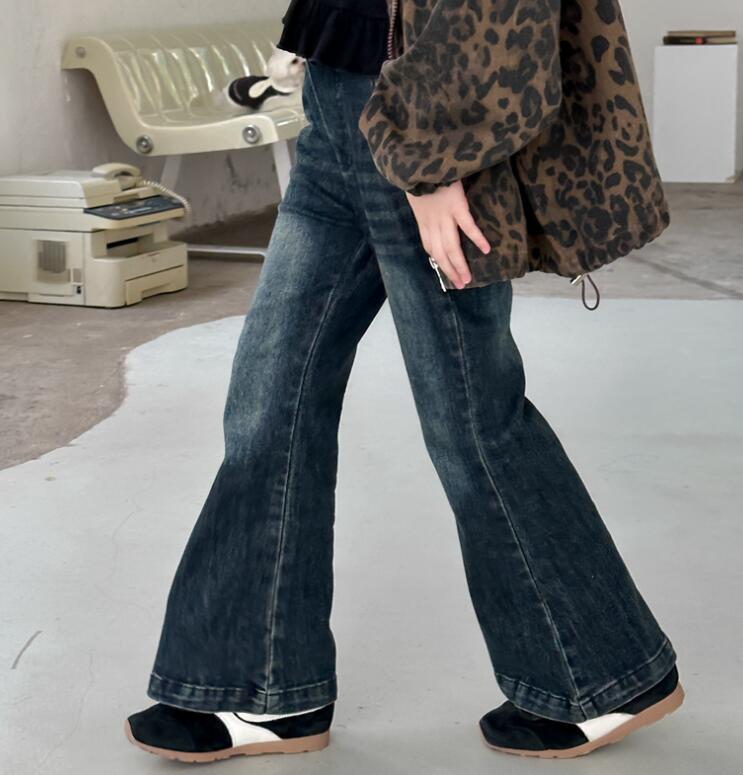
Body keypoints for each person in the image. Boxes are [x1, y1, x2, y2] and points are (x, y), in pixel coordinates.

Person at [124, 0, 683, 762]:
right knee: (270, 398)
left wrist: (431, 153)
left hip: (415, 120)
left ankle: (601, 677)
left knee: (471, 418)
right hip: (336, 105)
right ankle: (263, 688)